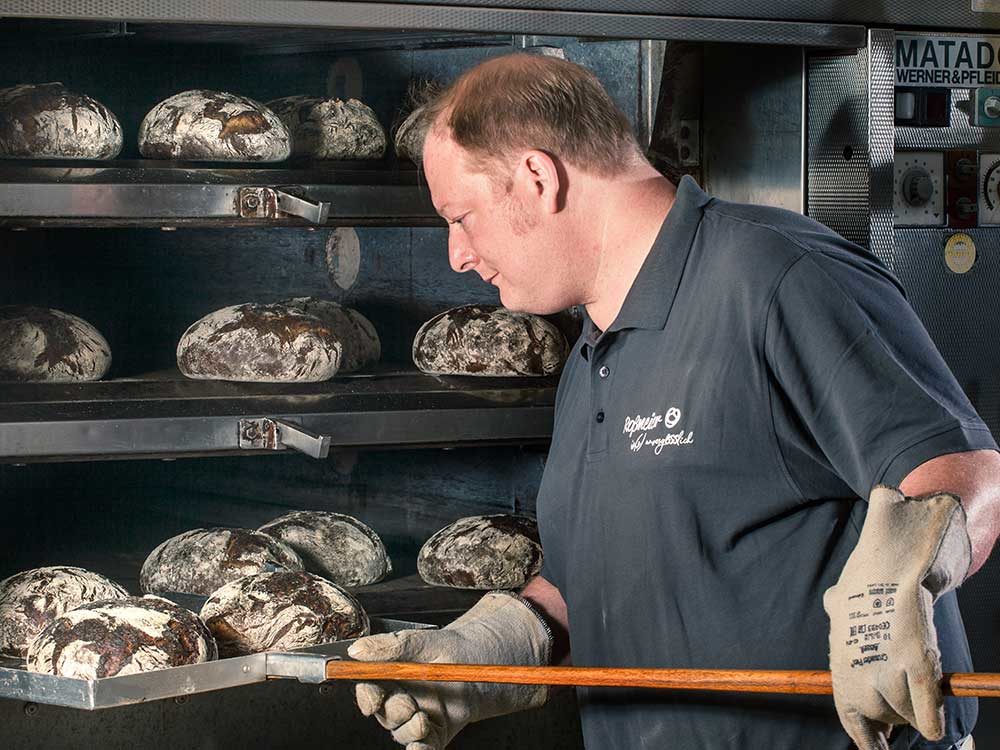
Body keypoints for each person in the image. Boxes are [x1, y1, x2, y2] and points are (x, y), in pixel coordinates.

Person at [347, 53, 1000, 750]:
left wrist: (895, 586)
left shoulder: (774, 279)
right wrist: (487, 647)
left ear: (537, 178)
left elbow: (968, 474)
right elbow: (594, 582)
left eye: (461, 216)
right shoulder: (596, 348)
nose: (458, 255)